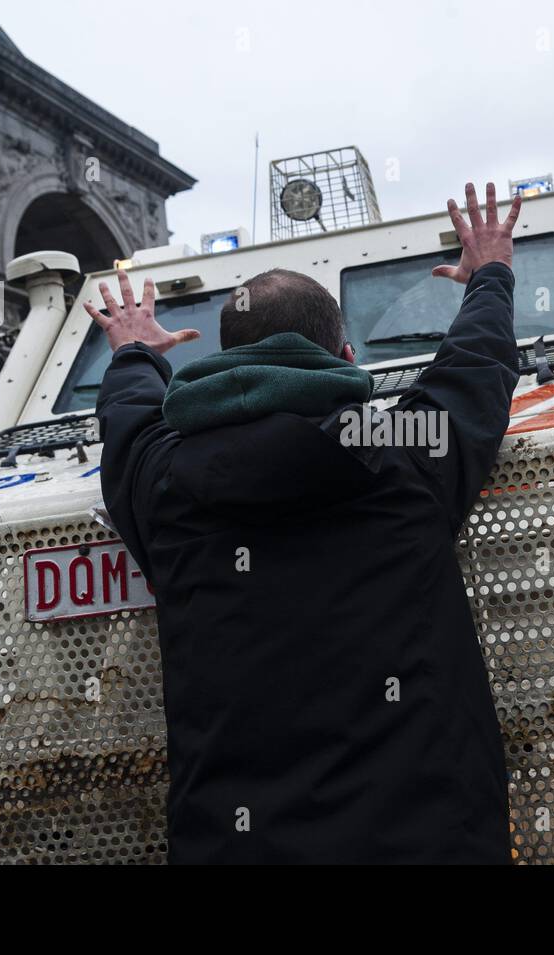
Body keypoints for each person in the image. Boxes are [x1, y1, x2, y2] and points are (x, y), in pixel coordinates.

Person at [88, 182, 523, 863]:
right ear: (346, 362)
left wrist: (137, 350)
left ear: (222, 363)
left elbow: (130, 423)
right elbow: (476, 366)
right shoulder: (407, 454)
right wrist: (490, 276)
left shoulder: (165, 487)